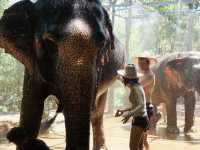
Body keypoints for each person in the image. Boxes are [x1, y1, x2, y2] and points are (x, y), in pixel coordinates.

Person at [115, 64, 149, 150]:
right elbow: (137, 105)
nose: (122, 79)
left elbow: (141, 105)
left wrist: (129, 114)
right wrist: (124, 111)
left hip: (139, 120)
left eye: (123, 78)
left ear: (128, 79)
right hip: (142, 119)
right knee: (139, 147)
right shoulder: (136, 86)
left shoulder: (135, 89)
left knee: (133, 147)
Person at [133, 51, 159, 150]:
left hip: (145, 107)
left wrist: (127, 80)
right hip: (140, 106)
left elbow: (138, 87)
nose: (139, 65)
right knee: (142, 139)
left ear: (147, 63)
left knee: (139, 141)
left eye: (141, 63)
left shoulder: (150, 75)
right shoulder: (142, 74)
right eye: (139, 63)